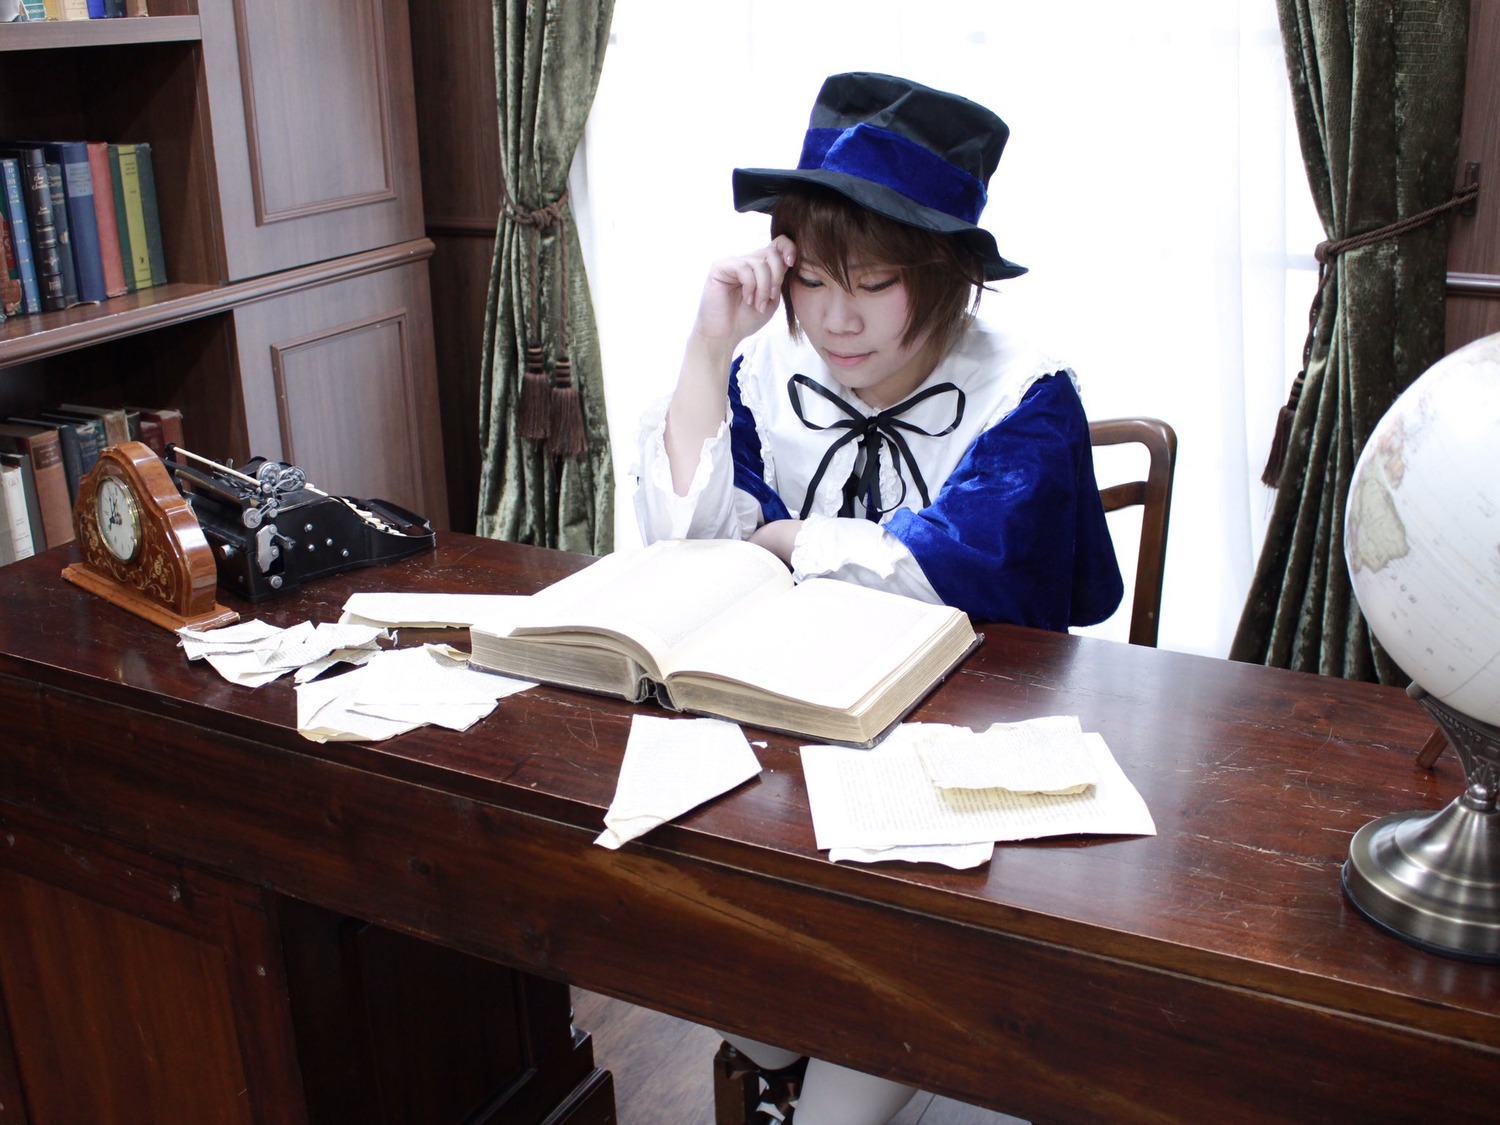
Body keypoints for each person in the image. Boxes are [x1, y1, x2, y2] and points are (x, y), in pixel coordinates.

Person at [633, 72, 1123, 1124]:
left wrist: (793, 536)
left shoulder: (1026, 393)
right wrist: (707, 344)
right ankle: (823, 1065)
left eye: (876, 283)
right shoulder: (763, 369)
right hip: (783, 750)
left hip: (960, 768)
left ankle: (827, 1087)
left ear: (947, 277)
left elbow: (951, 575)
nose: (837, 320)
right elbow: (688, 546)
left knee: (862, 1001)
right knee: (680, 935)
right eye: (811, 280)